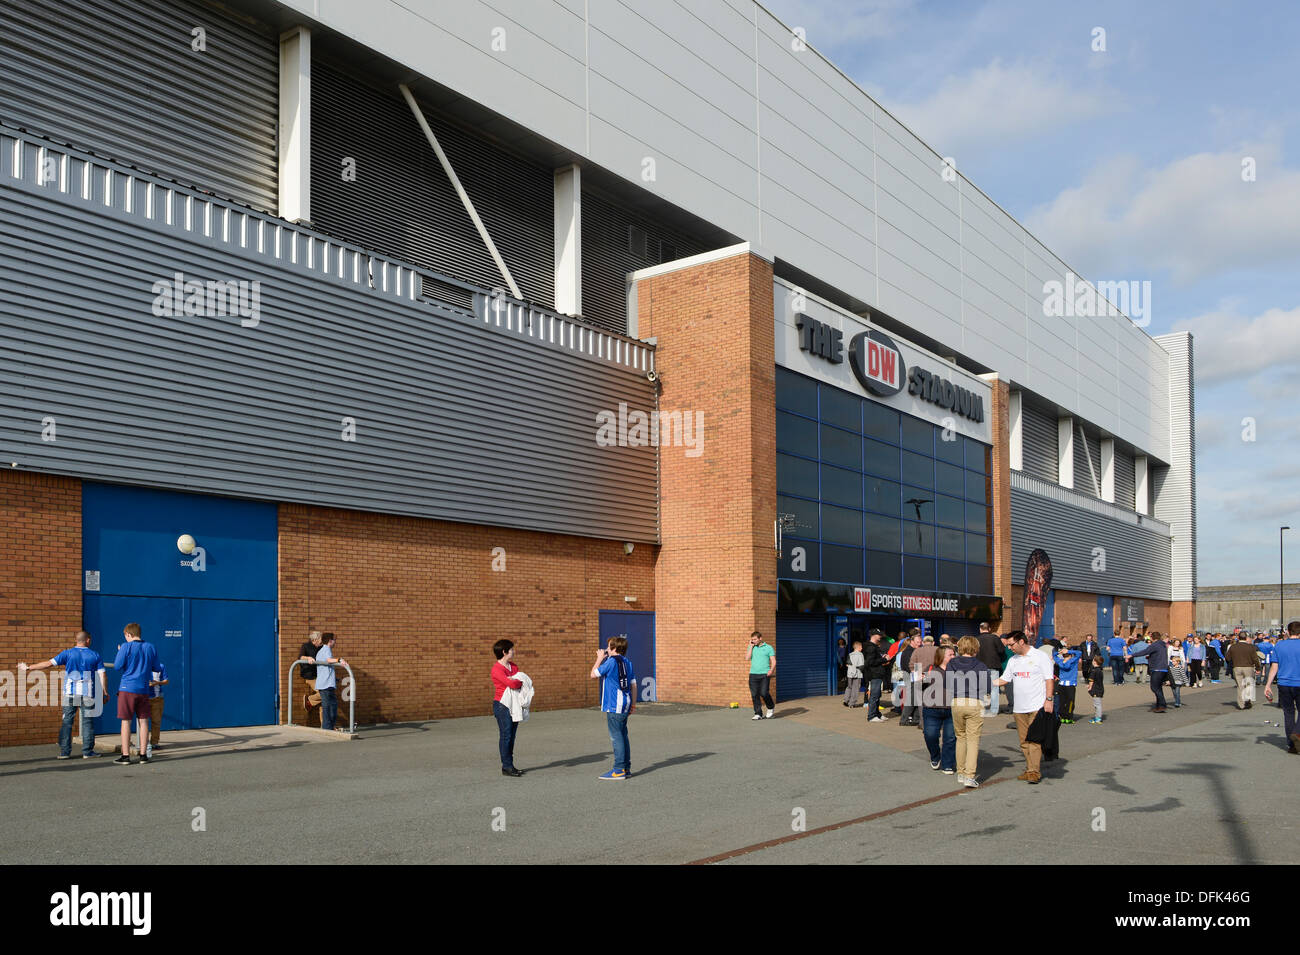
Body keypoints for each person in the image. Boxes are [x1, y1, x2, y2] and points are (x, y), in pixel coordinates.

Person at [19, 630, 107, 760]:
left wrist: (28, 668)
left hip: (70, 693)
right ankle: (87, 752)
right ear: (87, 640)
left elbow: (48, 664)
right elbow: (102, 674)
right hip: (87, 693)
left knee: (67, 722)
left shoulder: (67, 653)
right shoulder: (95, 655)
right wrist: (105, 691)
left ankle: (65, 752)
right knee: (88, 723)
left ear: (76, 640)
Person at [994, 630, 1055, 784]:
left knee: (1034, 740)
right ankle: (1030, 769)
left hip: (1036, 705)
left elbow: (1049, 679)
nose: (1009, 648)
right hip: (1019, 708)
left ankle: (1034, 772)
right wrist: (985, 683)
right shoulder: (1013, 660)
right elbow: (1004, 679)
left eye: (1011, 644)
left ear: (1021, 641)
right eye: (1007, 645)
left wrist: (1049, 699)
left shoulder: (1040, 657)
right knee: (1024, 741)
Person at [112, 623, 161, 764]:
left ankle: (126, 756)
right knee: (144, 721)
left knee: (126, 721)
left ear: (129, 634)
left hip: (127, 688)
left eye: (125, 636)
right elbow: (157, 667)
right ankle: (143, 755)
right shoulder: (150, 647)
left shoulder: (125, 646)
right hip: (144, 689)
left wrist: (120, 651)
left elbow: (117, 666)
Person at [948, 636, 991, 787]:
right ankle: (969, 775)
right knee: (973, 739)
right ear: (975, 648)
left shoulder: (952, 663)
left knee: (960, 737)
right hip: (974, 701)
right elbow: (987, 686)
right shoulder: (980, 665)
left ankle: (960, 772)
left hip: (956, 701)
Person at [592, 636, 636, 779]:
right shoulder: (628, 662)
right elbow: (634, 685)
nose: (606, 649)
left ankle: (618, 770)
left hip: (614, 704)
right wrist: (633, 704)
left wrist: (599, 658)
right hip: (626, 702)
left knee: (616, 737)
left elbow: (593, 674)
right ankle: (626, 768)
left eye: (608, 647)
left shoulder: (611, 662)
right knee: (623, 735)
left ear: (614, 648)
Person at [1263, 621, 1300, 754]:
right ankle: (1297, 733)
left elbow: (1274, 666)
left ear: (1288, 632)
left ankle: (1291, 745)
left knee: (1288, 713)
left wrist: (1268, 684)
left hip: (1284, 683)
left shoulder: (1279, 645)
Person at [920, 645, 957, 775]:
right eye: (950, 655)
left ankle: (947, 764)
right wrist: (922, 678)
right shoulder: (930, 668)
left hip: (952, 709)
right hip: (932, 709)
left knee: (950, 738)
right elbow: (918, 685)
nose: (953, 657)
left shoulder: (957, 670)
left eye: (954, 654)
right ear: (941, 657)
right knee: (930, 735)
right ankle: (935, 756)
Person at [491, 638, 525, 777]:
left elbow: (521, 680)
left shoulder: (514, 666)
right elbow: (512, 684)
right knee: (506, 735)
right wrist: (515, 681)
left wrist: (516, 681)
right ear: (504, 652)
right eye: (511, 649)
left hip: (514, 704)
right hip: (502, 705)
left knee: (512, 736)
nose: (513, 651)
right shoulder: (497, 669)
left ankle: (510, 765)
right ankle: (506, 766)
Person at [315, 633, 348, 731]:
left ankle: (330, 726)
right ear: (330, 641)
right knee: (328, 707)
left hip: (327, 683)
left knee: (332, 706)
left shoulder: (323, 650)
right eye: (334, 640)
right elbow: (329, 660)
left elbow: (326, 667)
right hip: (325, 685)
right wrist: (339, 660)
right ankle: (327, 728)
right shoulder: (326, 649)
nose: (335, 642)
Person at [975, 622, 1004, 716]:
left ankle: (981, 709)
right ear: (989, 629)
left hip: (980, 666)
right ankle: (994, 710)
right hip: (993, 666)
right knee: (994, 688)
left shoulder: (976, 639)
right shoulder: (995, 638)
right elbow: (1001, 650)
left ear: (980, 629)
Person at [746, 630, 776, 720]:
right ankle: (758, 713)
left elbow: (773, 661)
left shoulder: (768, 647)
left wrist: (771, 670)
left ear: (760, 638)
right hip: (753, 674)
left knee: (764, 693)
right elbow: (747, 658)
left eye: (755, 639)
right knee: (754, 694)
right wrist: (750, 647)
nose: (753, 641)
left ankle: (770, 707)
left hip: (764, 674)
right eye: (752, 639)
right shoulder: (751, 647)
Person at [297, 630, 326, 719]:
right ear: (315, 640)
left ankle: (324, 725)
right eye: (320, 640)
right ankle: (310, 700)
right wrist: (308, 658)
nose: (321, 642)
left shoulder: (322, 648)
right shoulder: (306, 646)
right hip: (310, 676)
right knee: (324, 694)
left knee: (324, 701)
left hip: (321, 675)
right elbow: (300, 657)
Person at [898, 631, 924, 727]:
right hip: (911, 678)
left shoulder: (914, 651)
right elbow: (908, 666)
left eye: (920, 642)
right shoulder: (909, 652)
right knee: (912, 699)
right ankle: (904, 720)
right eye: (917, 642)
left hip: (915, 677)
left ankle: (916, 718)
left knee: (917, 699)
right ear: (912, 641)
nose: (919, 644)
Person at [1227, 636, 1258, 710]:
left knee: (1240, 686)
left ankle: (1241, 704)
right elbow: (1255, 658)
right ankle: (1247, 701)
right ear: (1245, 638)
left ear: (1238, 637)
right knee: (1248, 685)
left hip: (1237, 667)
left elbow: (1227, 658)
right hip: (1248, 667)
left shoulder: (1233, 647)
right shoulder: (1251, 647)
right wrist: (1258, 667)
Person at [1054, 639, 1080, 724]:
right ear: (1070, 655)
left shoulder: (1060, 661)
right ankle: (1069, 717)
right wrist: (1068, 650)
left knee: (1062, 701)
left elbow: (1053, 655)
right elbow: (1079, 653)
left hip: (1061, 684)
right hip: (1070, 684)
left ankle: (1063, 717)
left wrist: (1059, 652)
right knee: (1070, 701)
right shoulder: (1073, 661)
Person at [144, 663, 168, 756]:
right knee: (143, 722)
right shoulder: (142, 665)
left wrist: (157, 683)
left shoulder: (161, 666)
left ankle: (154, 742)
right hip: (144, 698)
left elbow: (166, 681)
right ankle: (144, 743)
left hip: (157, 698)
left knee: (156, 721)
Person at [1145, 632, 1170, 713]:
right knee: (1159, 687)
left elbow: (1144, 651)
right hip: (1163, 668)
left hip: (1157, 669)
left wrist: (1131, 655)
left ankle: (1162, 704)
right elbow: (1159, 655)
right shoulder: (1163, 645)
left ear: (1152, 638)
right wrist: (1150, 656)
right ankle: (1159, 705)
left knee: (1154, 687)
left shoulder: (1155, 645)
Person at [1167, 638, 1188, 708]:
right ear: (1174, 643)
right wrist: (1168, 663)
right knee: (1173, 690)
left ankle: (1177, 702)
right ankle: (1177, 700)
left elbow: (1182, 656)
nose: (1177, 644)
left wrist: (1183, 663)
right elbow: (1168, 655)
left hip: (1178, 661)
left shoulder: (1180, 648)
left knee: (1177, 690)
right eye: (1176, 642)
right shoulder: (1170, 647)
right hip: (1171, 661)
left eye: (1178, 642)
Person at [843, 639, 865, 707]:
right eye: (861, 647)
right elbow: (861, 665)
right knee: (855, 689)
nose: (862, 648)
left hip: (850, 674)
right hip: (857, 674)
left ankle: (846, 700)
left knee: (849, 687)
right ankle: (852, 703)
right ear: (858, 647)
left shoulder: (850, 654)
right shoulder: (860, 654)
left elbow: (847, 664)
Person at [1086, 654, 1105, 723]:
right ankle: (1097, 717)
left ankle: (1098, 718)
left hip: (1096, 690)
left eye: (1093, 660)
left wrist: (1089, 687)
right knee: (1098, 704)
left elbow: (1091, 680)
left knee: (1097, 704)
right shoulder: (1100, 670)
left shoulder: (1094, 671)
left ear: (1095, 662)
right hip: (1100, 688)